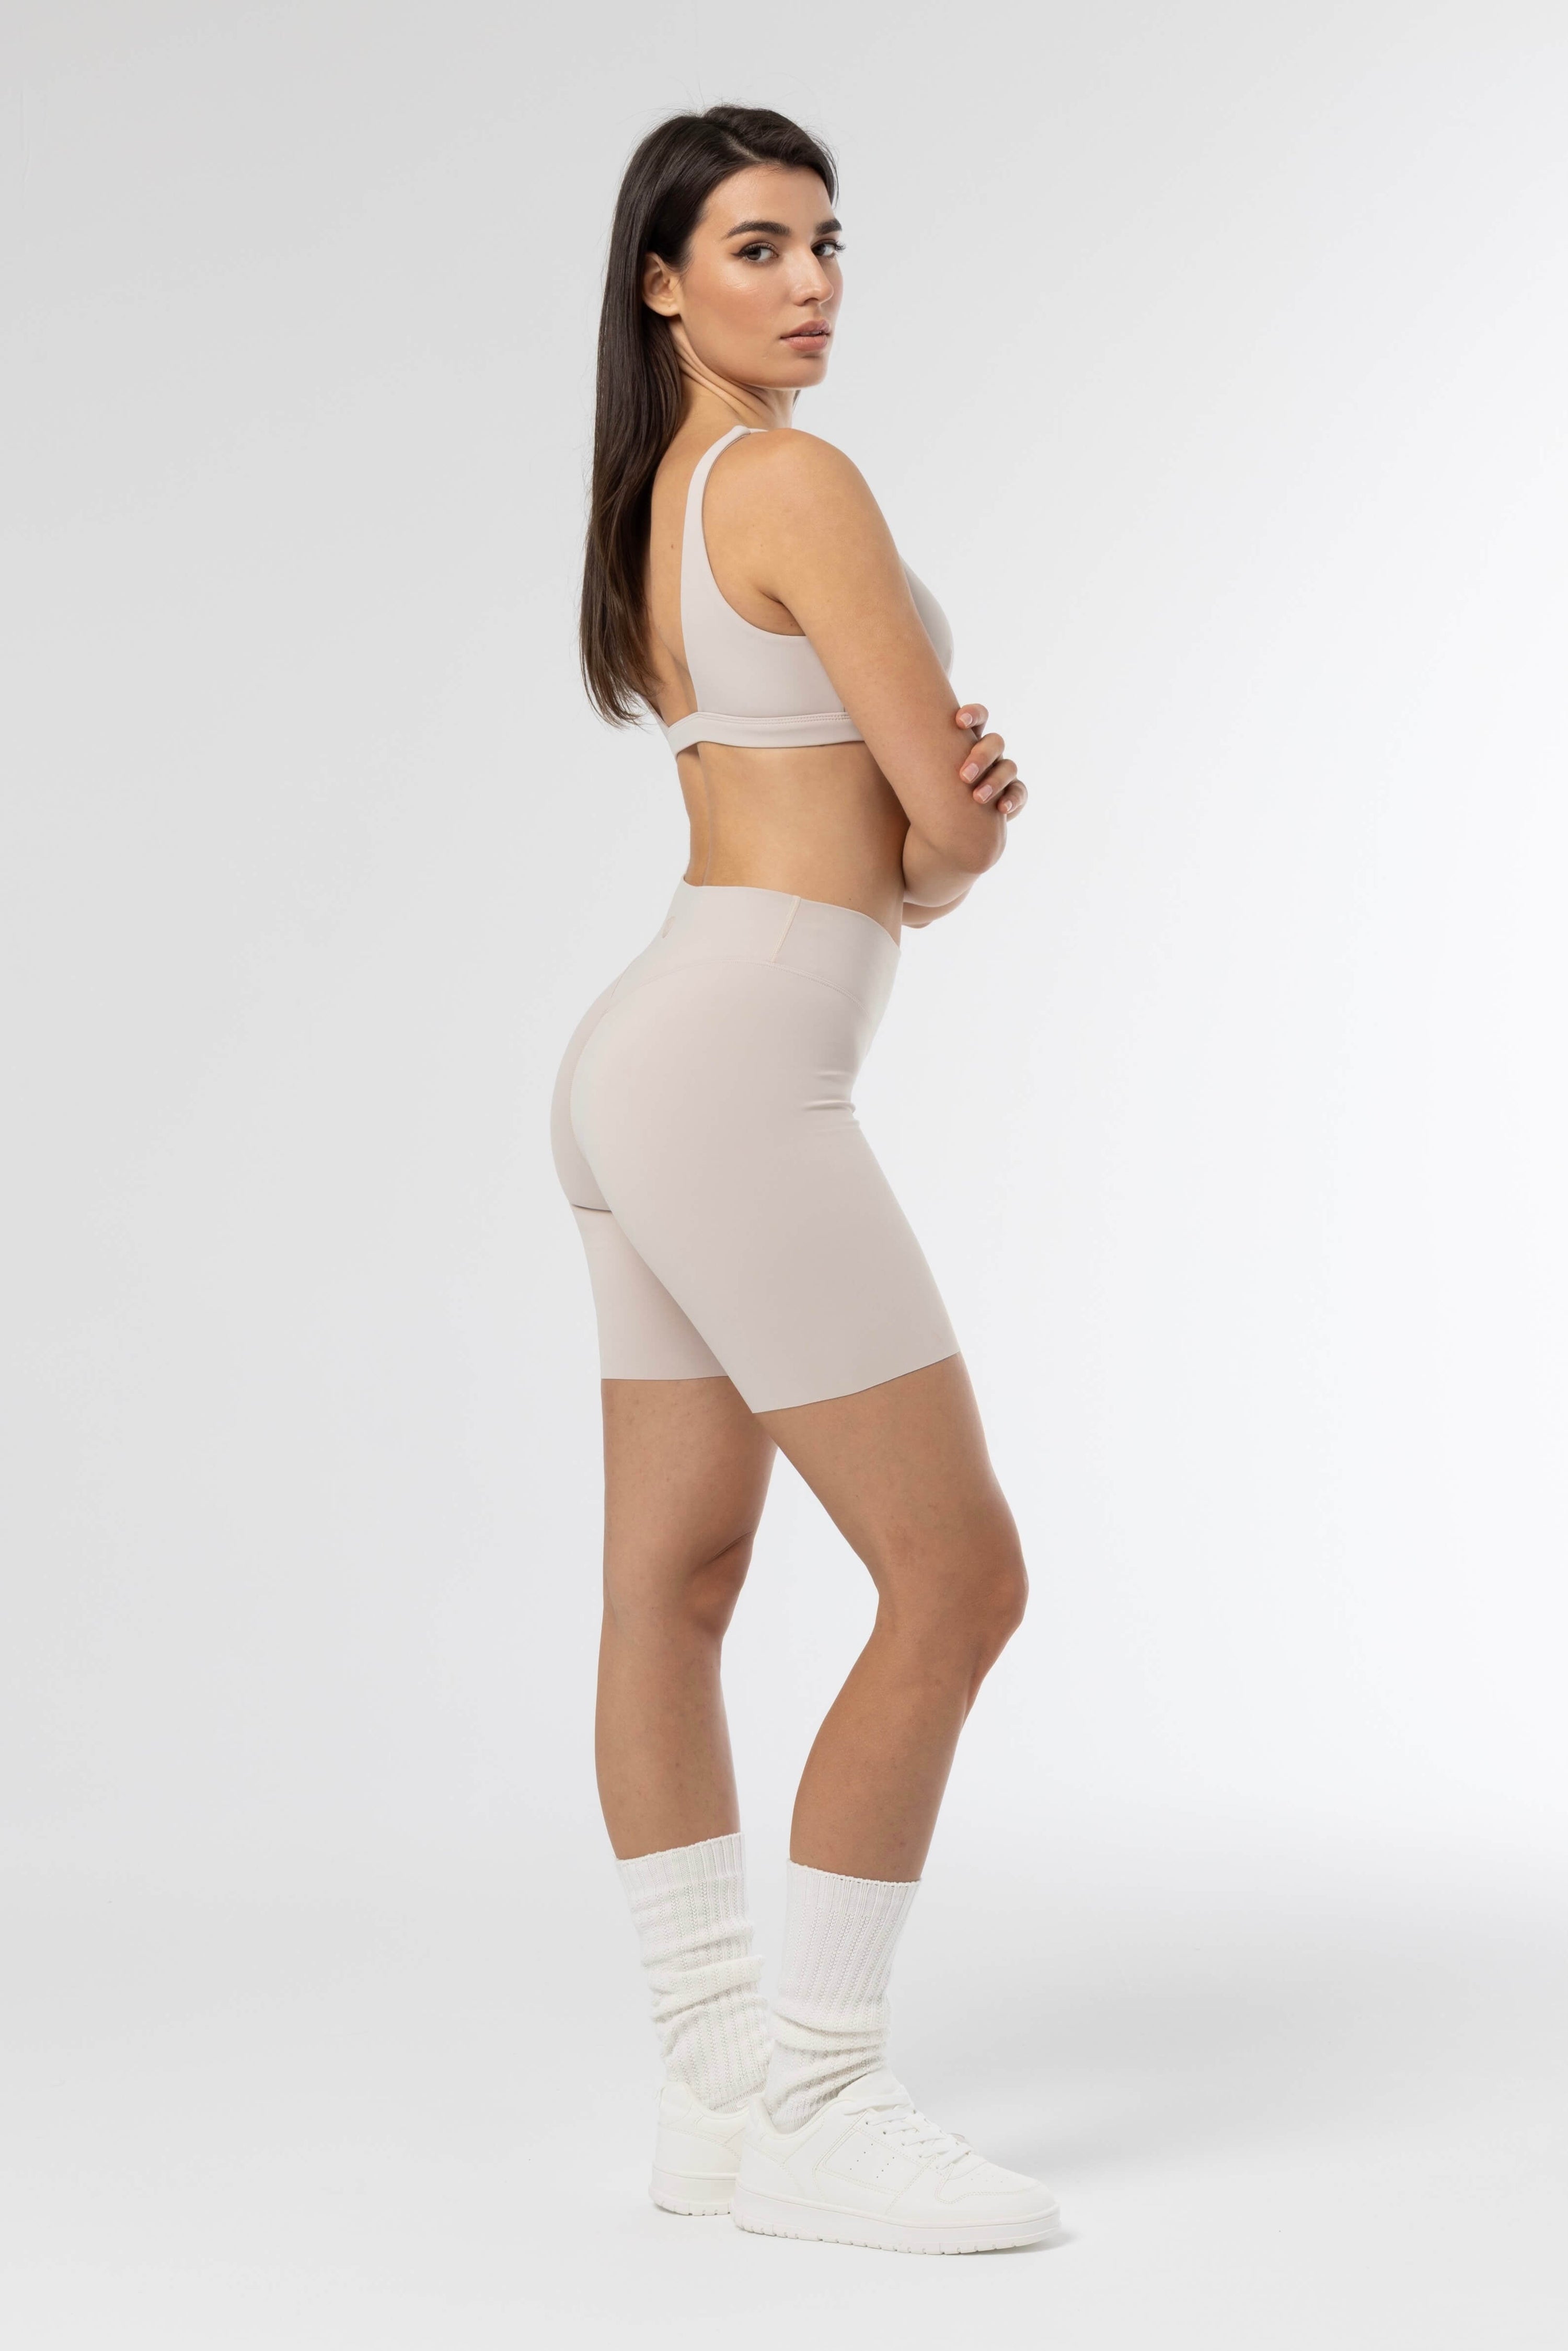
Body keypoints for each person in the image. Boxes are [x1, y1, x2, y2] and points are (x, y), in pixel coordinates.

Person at [550, 103, 1058, 2256]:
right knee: (959, 1580)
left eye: (827, 242)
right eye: (757, 247)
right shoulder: (793, 480)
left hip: (651, 1051)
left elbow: (879, 850)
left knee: (673, 1591)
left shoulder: (665, 498)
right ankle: (823, 2098)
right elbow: (928, 837)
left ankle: (715, 2096)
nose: (812, 284)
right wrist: (973, 822)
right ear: (663, 281)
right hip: (741, 1070)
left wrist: (937, 842)